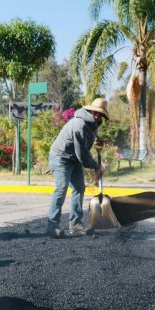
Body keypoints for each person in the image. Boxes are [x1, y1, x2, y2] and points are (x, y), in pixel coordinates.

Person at [46, 98, 107, 238]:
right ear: (90, 110)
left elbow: (88, 135)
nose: (97, 116)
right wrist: (96, 166)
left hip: (73, 159)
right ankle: (52, 226)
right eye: (95, 112)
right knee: (61, 189)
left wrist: (97, 139)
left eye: (101, 114)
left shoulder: (92, 124)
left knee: (79, 189)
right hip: (61, 157)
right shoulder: (79, 124)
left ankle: (75, 225)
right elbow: (82, 153)